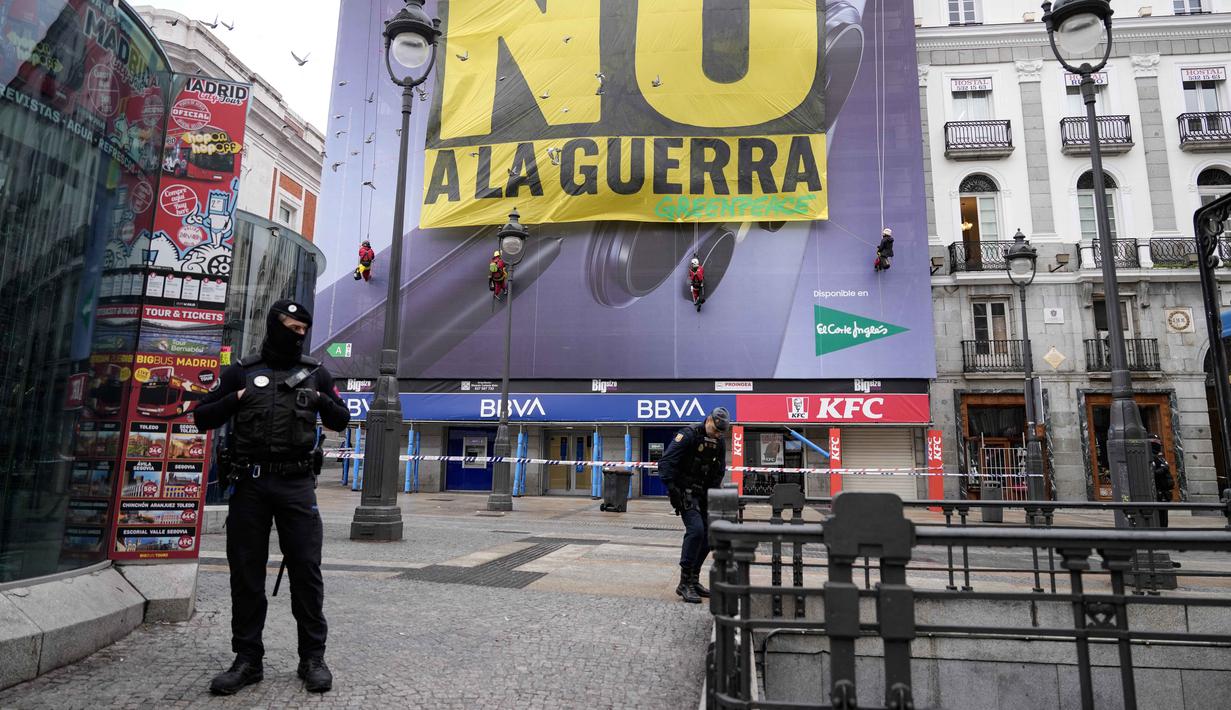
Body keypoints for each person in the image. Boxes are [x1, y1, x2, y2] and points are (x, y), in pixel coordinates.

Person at [193, 300, 350, 695]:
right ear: (273, 324)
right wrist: (236, 400)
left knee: (306, 573)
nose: (296, 334)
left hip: (297, 485)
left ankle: (312, 658)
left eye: (302, 329)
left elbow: (341, 420)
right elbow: (201, 416)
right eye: (289, 326)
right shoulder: (242, 372)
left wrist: (320, 400)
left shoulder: (315, 374)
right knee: (245, 574)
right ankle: (248, 660)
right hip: (249, 484)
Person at [658, 406, 730, 603]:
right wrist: (673, 490)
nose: (716, 435)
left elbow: (719, 470)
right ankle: (684, 583)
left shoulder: (719, 441)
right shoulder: (688, 435)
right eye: (715, 430)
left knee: (709, 535)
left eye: (720, 433)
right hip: (685, 492)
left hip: (704, 494)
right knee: (696, 531)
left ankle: (693, 580)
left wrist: (713, 494)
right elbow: (665, 463)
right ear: (708, 420)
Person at [1151, 435, 1174, 528]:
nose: (1159, 445)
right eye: (1156, 443)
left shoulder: (1159, 457)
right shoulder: (1151, 458)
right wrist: (1163, 468)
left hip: (1165, 492)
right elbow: (1152, 473)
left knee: (1164, 518)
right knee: (1160, 518)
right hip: (1158, 491)